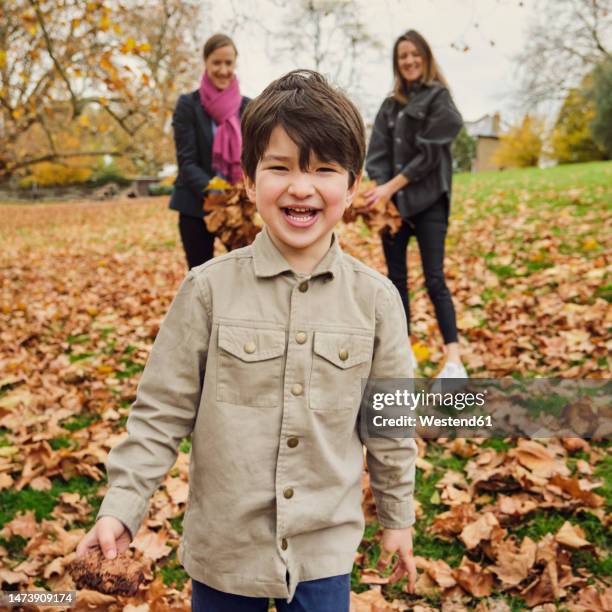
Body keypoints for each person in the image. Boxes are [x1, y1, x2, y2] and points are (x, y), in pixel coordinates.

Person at [76, 70, 417, 612]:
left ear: (352, 186)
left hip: (322, 553)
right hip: (225, 554)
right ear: (250, 179)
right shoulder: (207, 290)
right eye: (279, 168)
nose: (301, 187)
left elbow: (394, 426)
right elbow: (160, 412)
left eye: (323, 170)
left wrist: (398, 518)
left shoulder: (376, 302)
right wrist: (122, 506)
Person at [365, 29, 466, 378]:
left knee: (434, 278)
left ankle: (453, 360)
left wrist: (390, 188)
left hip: (429, 203)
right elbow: (375, 153)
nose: (408, 61)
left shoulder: (440, 100)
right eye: (402, 56)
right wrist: (380, 190)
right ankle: (402, 352)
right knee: (395, 281)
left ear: (425, 57)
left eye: (414, 55)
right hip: (393, 209)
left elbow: (428, 156)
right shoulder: (390, 105)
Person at [169, 33, 250, 269]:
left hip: (238, 208)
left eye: (228, 63)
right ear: (205, 63)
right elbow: (186, 161)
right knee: (200, 278)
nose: (223, 70)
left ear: (235, 64)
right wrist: (218, 191)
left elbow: (256, 158)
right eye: (217, 62)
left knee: (244, 276)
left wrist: (239, 195)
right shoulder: (188, 105)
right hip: (196, 206)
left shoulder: (249, 107)